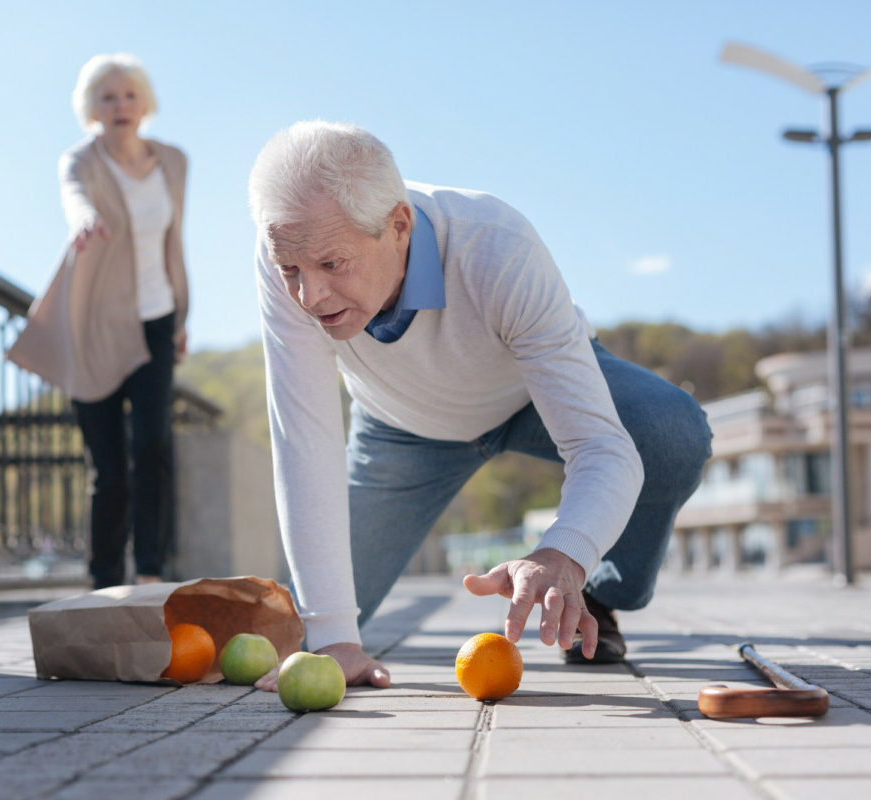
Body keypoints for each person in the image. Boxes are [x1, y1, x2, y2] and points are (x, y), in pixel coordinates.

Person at [248, 120, 711, 689]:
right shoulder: (290, 247)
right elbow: (305, 441)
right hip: (403, 426)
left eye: (331, 265)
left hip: (529, 393)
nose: (309, 296)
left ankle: (597, 591)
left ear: (398, 225)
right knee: (295, 626)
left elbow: (600, 446)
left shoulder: (496, 245)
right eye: (291, 270)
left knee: (671, 430)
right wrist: (336, 638)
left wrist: (564, 553)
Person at [6, 53, 189, 589]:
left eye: (129, 94)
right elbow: (75, 197)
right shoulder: (79, 160)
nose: (120, 105)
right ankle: (104, 580)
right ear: (93, 108)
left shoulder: (174, 162)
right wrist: (84, 219)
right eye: (107, 97)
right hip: (92, 325)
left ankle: (151, 572)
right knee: (107, 467)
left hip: (156, 318)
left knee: (152, 447)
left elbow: (176, 243)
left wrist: (183, 313)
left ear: (144, 101)